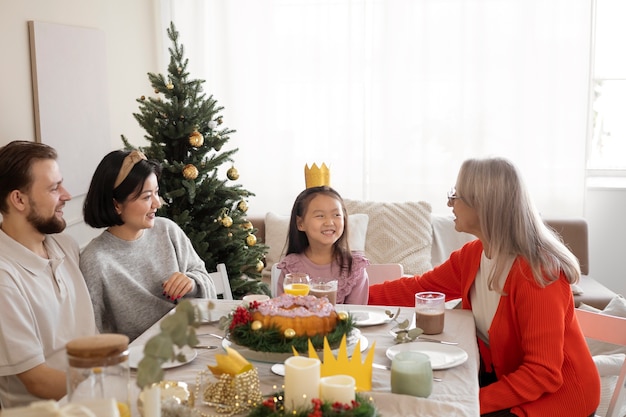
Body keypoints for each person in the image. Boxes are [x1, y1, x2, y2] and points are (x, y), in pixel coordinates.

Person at [368, 157, 600, 417]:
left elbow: (542, 373)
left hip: (556, 397)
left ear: (484, 205)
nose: (449, 203)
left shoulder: (537, 274)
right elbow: (418, 288)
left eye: (456, 195)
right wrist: (350, 295)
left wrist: (471, 401)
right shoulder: (474, 254)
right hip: (508, 378)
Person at [80, 149, 217, 341]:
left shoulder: (168, 231)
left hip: (193, 343)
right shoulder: (95, 259)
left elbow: (206, 282)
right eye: (146, 197)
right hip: (143, 363)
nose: (157, 203)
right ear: (116, 205)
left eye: (156, 193)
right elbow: (92, 332)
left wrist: (192, 284)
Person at [0, 141, 97, 407]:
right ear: (19, 199)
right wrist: (109, 387)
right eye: (54, 188)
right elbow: (38, 381)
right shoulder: (4, 279)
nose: (66, 195)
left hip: (91, 398)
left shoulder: (65, 246)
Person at [276, 186, 369, 304]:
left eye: (336, 215)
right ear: (300, 223)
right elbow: (283, 313)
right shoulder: (290, 267)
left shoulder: (354, 267)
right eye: (320, 215)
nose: (329, 222)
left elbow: (356, 318)